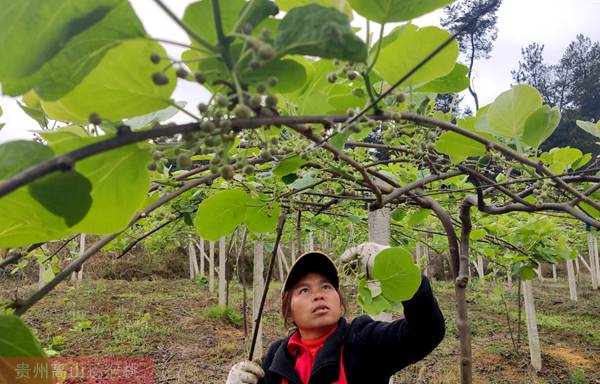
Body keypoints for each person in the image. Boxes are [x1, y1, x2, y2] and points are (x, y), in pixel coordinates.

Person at [226, 242, 445, 384]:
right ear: (289, 311)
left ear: (339, 299)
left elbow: (427, 331)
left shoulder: (363, 340)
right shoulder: (277, 357)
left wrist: (394, 267)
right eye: (304, 290)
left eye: (326, 287)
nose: (318, 295)